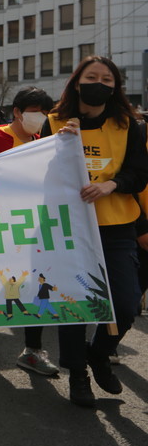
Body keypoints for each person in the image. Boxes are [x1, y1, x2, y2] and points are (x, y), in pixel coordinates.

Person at [42, 56, 148, 407]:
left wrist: (112, 185)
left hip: (117, 227)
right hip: (69, 229)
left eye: (107, 79)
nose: (99, 83)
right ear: (77, 82)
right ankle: (77, 375)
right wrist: (58, 148)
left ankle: (100, 353)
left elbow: (138, 173)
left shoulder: (130, 125)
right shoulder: (55, 121)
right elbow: (40, 174)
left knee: (126, 301)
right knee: (75, 303)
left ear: (116, 88)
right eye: (92, 76)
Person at [0, 87, 55, 369]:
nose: (40, 118)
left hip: (32, 227)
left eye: (44, 113)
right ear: (17, 112)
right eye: (35, 112)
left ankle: (33, 349)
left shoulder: (42, 143)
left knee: (36, 284)